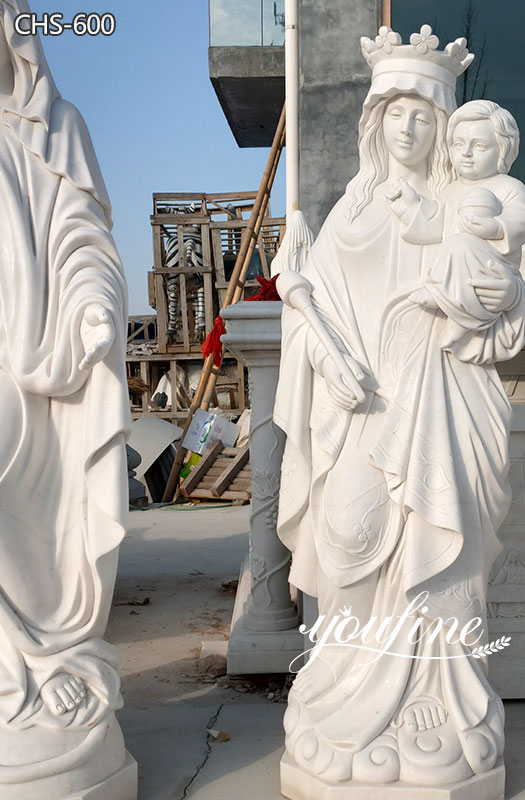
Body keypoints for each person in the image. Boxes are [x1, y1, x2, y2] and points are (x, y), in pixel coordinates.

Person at [274, 25, 525, 789]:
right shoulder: (349, 212)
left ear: (444, 125)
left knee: (440, 543)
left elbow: (507, 303)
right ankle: (348, 686)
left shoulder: (465, 202)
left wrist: (478, 295)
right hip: (360, 410)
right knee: (350, 533)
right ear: (374, 121)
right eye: (396, 112)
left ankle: (439, 698)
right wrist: (329, 361)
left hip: (446, 409)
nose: (410, 127)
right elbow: (306, 307)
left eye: (424, 114)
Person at [0, 0, 130, 788]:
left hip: (29, 368)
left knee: (33, 540)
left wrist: (89, 310)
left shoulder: (53, 129)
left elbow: (83, 234)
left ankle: (37, 663)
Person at [388, 99, 525, 351]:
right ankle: (456, 313)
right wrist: (410, 207)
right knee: (455, 244)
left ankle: (448, 303)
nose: (466, 153)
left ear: (502, 150)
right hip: (458, 273)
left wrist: (496, 228)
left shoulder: (508, 187)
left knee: (458, 243)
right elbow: (435, 226)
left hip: (489, 273)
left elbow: (523, 223)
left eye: (479, 146)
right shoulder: (451, 191)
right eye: (459, 144)